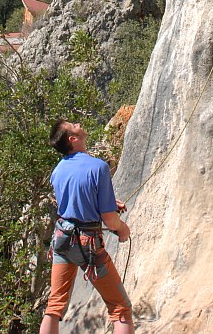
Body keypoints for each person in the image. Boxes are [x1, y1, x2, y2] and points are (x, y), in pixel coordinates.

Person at [39, 119, 134, 334]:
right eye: (73, 125)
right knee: (120, 308)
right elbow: (109, 220)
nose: (79, 123)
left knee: (54, 307)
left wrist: (109, 203)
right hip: (87, 244)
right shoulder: (98, 167)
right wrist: (122, 228)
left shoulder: (58, 171)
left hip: (63, 240)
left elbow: (74, 201)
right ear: (73, 139)